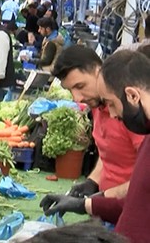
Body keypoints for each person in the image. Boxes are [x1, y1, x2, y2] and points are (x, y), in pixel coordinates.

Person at [41, 50, 150, 243]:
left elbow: (137, 189)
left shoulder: (137, 124)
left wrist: (94, 199)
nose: (76, 98)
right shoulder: (103, 109)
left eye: (80, 86)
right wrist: (91, 190)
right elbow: (133, 199)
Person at [49, 46, 144, 199]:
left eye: (80, 86)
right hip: (108, 210)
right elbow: (109, 153)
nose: (77, 98)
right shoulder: (96, 105)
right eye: (70, 90)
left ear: (99, 71)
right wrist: (93, 181)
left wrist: (101, 199)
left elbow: (145, 179)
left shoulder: (128, 110)